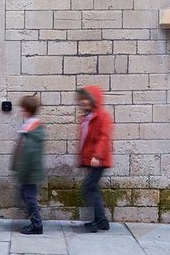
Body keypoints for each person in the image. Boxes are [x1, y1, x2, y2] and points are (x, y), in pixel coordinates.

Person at [76, 85, 113, 232]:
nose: (83, 102)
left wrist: (97, 156)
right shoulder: (86, 117)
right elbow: (85, 140)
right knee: (92, 188)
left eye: (86, 99)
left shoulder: (102, 116)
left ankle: (101, 221)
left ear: (94, 100)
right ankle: (100, 220)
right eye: (82, 99)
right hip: (92, 159)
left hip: (99, 160)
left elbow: (103, 137)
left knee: (89, 188)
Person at [11, 94, 45, 235]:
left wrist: (21, 172)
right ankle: (34, 220)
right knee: (26, 196)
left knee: (29, 198)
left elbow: (30, 155)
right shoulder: (29, 126)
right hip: (28, 172)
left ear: (26, 110)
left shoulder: (32, 129)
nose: (20, 111)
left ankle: (37, 224)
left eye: (22, 108)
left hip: (29, 173)